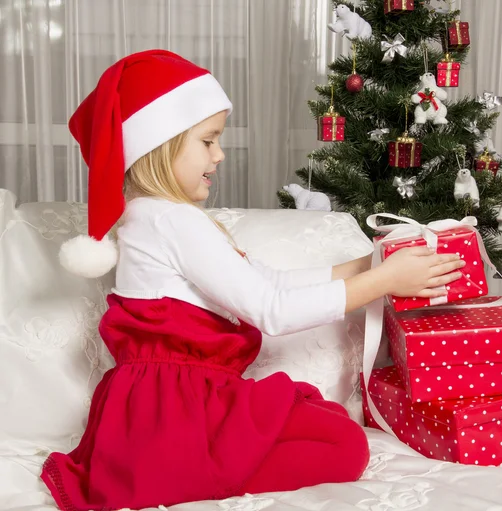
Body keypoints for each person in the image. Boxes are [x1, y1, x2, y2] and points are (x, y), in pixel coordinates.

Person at [41, 49, 465, 511]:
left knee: (327, 422)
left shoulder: (155, 218)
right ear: (158, 145)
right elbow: (272, 310)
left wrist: (364, 266)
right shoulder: (170, 221)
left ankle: (178, 468)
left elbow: (268, 282)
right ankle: (181, 472)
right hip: (177, 413)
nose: (219, 154)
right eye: (208, 141)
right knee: (345, 445)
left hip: (164, 407)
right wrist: (384, 281)